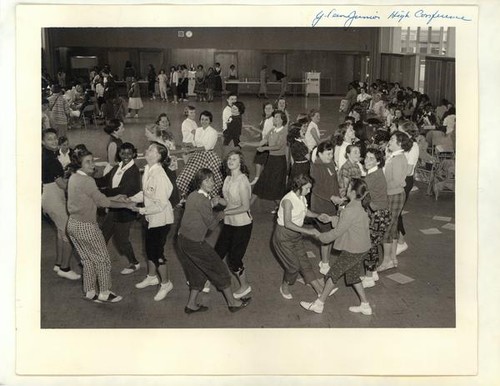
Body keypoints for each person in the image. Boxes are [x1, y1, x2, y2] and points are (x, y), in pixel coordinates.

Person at [176, 168, 251, 313]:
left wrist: (212, 203)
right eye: (206, 180)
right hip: (195, 243)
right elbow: (211, 225)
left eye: (212, 179)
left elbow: (200, 209)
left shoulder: (192, 195)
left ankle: (191, 305)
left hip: (182, 241)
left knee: (196, 273)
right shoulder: (203, 200)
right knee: (220, 270)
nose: (210, 183)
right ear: (200, 182)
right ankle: (233, 303)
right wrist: (221, 213)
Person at [300, 179, 373, 315]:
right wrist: (331, 219)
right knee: (353, 276)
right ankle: (365, 305)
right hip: (362, 248)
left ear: (351, 192)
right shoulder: (358, 207)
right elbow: (346, 222)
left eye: (348, 187)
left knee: (333, 274)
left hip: (354, 250)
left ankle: (319, 304)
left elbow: (336, 232)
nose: (345, 188)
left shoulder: (349, 210)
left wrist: (319, 236)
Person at [66, 148, 129, 303]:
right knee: (103, 260)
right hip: (87, 227)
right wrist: (127, 204)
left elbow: (92, 196)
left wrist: (116, 197)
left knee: (87, 260)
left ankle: (89, 291)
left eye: (92, 160)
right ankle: (105, 293)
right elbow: (103, 202)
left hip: (73, 225)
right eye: (87, 161)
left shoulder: (73, 177)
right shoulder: (88, 180)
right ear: (78, 164)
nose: (92, 164)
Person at [129, 143, 175, 301]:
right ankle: (151, 277)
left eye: (151, 150)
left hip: (161, 220)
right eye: (147, 148)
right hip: (151, 218)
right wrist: (130, 199)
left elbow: (161, 204)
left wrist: (141, 210)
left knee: (157, 253)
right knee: (149, 250)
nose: (147, 151)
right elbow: (146, 193)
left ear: (158, 156)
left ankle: (166, 283)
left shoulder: (159, 175)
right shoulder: (148, 169)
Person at [272, 174, 329, 299]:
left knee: (304, 262)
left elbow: (304, 211)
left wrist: (317, 216)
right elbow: (287, 223)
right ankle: (284, 286)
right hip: (283, 236)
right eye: (307, 188)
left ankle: (319, 290)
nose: (309, 191)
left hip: (295, 235)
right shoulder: (288, 201)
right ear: (299, 187)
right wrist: (310, 231)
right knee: (293, 267)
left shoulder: (302, 197)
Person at [96, 142, 142, 275]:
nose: (126, 156)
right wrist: (88, 179)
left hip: (125, 210)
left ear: (134, 154)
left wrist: (101, 193)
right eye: (123, 153)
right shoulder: (117, 167)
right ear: (119, 154)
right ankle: (97, 262)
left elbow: (124, 190)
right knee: (103, 235)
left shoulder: (134, 171)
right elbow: (104, 180)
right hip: (114, 208)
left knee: (122, 241)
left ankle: (134, 263)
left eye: (129, 153)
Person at [213, 151, 253, 298]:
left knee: (235, 260)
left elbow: (245, 207)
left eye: (234, 159)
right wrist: (218, 200)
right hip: (229, 223)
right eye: (229, 158)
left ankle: (245, 285)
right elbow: (228, 202)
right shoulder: (228, 179)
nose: (230, 161)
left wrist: (225, 213)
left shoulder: (243, 182)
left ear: (240, 163)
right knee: (217, 254)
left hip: (242, 224)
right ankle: (204, 282)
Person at [41, 129, 80, 280]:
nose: (54, 141)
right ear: (43, 142)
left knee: (60, 231)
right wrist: (76, 178)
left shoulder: (47, 155)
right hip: (53, 198)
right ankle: (65, 268)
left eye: (55, 138)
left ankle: (58, 264)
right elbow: (63, 185)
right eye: (49, 139)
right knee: (69, 233)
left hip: (49, 196)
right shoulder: (51, 160)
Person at [310, 141, 344, 275]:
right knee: (326, 235)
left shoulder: (330, 163)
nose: (331, 156)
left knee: (330, 233)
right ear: (319, 154)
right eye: (328, 153)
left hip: (331, 203)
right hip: (320, 205)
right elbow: (316, 188)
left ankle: (325, 259)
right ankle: (324, 264)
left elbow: (334, 181)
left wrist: (339, 191)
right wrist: (331, 197)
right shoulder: (316, 167)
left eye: (332, 153)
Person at [378, 131, 410, 271]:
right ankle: (392, 258)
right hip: (394, 194)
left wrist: (381, 188)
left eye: (392, 139)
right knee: (393, 226)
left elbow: (396, 181)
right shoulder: (394, 156)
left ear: (399, 143)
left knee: (387, 228)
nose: (389, 141)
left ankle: (386, 261)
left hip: (394, 194)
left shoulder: (397, 158)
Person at [361, 148, 391, 288]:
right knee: (374, 244)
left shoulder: (371, 177)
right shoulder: (377, 173)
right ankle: (373, 273)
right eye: (366, 157)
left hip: (377, 215)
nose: (367, 160)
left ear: (378, 161)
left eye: (371, 158)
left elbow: (361, 196)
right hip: (382, 214)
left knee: (369, 245)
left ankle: (368, 278)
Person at [177, 110, 224, 198]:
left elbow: (206, 147)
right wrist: (187, 146)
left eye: (206, 119)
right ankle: (190, 196)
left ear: (210, 121)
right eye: (202, 119)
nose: (204, 121)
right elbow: (195, 143)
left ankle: (209, 198)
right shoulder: (198, 130)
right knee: (185, 176)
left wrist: (191, 150)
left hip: (209, 157)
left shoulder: (213, 132)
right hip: (197, 156)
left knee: (208, 179)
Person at [251, 111, 288, 212]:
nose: (274, 119)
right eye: (274, 117)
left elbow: (278, 146)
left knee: (276, 187)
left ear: (282, 120)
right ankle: (247, 207)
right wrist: (246, 143)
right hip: (271, 161)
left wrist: (264, 149)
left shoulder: (284, 131)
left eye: (277, 117)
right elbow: (261, 142)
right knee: (261, 183)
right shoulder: (272, 130)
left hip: (279, 162)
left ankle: (283, 209)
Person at [396, 121, 420, 255]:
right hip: (399, 178)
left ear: (408, 132)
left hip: (405, 180)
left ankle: (401, 241)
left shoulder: (414, 146)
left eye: (401, 131)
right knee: (395, 211)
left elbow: (409, 169)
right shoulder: (404, 145)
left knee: (397, 211)